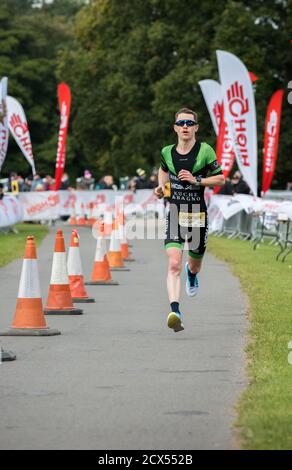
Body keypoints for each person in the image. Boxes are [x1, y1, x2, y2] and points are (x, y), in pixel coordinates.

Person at [154, 107, 225, 333]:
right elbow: (163, 170)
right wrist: (161, 187)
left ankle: (192, 274)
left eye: (189, 123)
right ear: (175, 128)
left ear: (196, 128)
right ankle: (175, 311)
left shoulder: (204, 150)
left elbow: (221, 179)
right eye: (181, 123)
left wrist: (197, 180)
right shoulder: (167, 152)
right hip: (175, 213)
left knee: (193, 264)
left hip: (197, 215)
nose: (185, 127)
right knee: (173, 262)